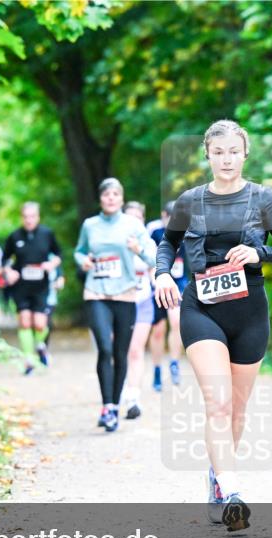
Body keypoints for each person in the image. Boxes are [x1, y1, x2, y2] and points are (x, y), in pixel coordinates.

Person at [154, 120, 272, 532]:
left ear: (244, 154)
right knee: (217, 403)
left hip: (249, 312)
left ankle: (218, 476)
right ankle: (232, 492)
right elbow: (168, 242)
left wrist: (259, 254)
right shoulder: (190, 201)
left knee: (236, 408)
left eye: (233, 151)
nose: (226, 159)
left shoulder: (264, 199)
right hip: (202, 308)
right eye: (218, 152)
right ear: (208, 155)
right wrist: (162, 273)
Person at [75, 178, 156, 432]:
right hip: (96, 292)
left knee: (121, 353)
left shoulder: (133, 225)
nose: (110, 198)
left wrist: (138, 249)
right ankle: (107, 405)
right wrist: (82, 261)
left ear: (121, 199)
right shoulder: (90, 225)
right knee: (105, 348)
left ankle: (114, 407)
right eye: (106, 194)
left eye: (115, 194)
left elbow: (154, 257)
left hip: (125, 294)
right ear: (100, 198)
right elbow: (79, 251)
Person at [2, 202, 62, 373]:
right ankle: (28, 359)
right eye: (26, 217)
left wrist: (52, 265)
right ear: (22, 218)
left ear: (38, 217)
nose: (29, 220)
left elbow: (58, 255)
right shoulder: (14, 236)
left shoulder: (47, 234)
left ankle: (40, 345)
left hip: (41, 285)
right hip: (21, 285)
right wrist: (9, 271)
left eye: (32, 216)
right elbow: (5, 259)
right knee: (24, 321)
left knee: (40, 324)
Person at [119, 201, 157, 419]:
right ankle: (119, 388)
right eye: (129, 216)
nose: (133, 221)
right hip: (118, 302)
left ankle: (133, 398)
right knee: (119, 351)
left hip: (143, 302)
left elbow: (153, 267)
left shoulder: (149, 243)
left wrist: (159, 282)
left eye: (138, 217)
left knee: (135, 350)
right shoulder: (114, 242)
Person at [147, 201, 186, 391]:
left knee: (177, 322)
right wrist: (154, 279)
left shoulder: (187, 231)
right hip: (158, 283)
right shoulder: (153, 231)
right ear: (163, 216)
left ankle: (174, 363)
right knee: (158, 330)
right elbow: (147, 258)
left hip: (178, 283)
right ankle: (156, 370)